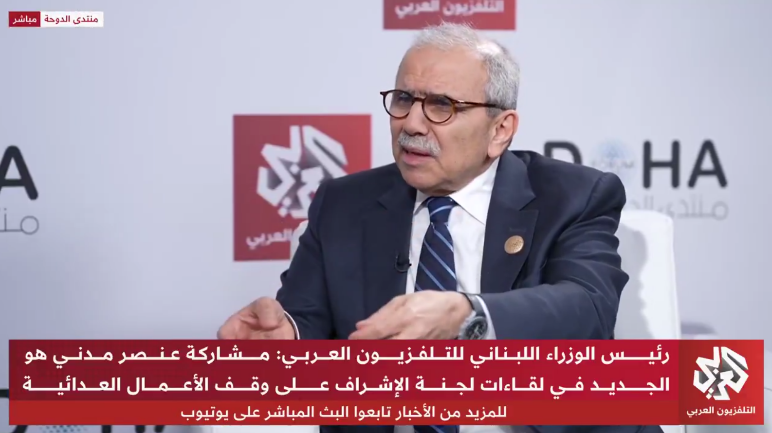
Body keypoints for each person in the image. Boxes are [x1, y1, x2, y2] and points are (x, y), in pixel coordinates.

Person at [219, 22, 663, 433]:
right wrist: (286, 340)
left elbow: (588, 308)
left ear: (500, 130)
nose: (411, 124)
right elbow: (309, 323)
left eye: (441, 106)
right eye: (403, 99)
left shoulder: (572, 196)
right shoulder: (343, 204)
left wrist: (469, 315)